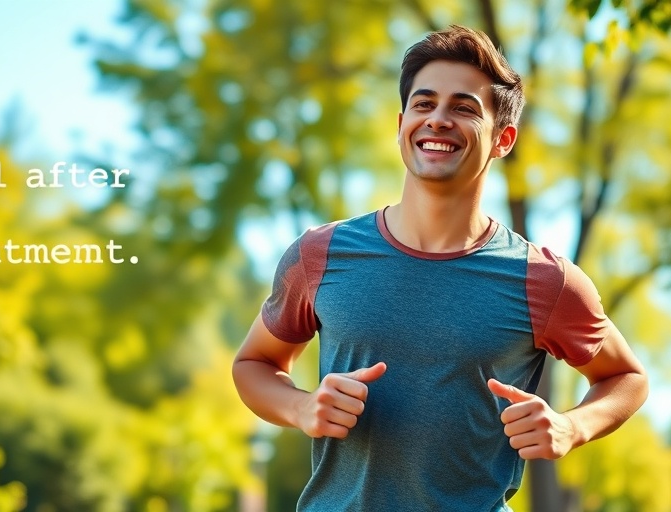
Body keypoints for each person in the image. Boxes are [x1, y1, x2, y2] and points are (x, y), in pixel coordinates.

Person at [231, 25, 649, 511]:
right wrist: (300, 407)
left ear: (503, 139)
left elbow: (628, 378)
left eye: (465, 109)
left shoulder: (544, 280)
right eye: (424, 104)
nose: (438, 120)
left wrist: (572, 426)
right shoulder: (321, 254)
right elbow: (253, 365)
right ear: (401, 122)